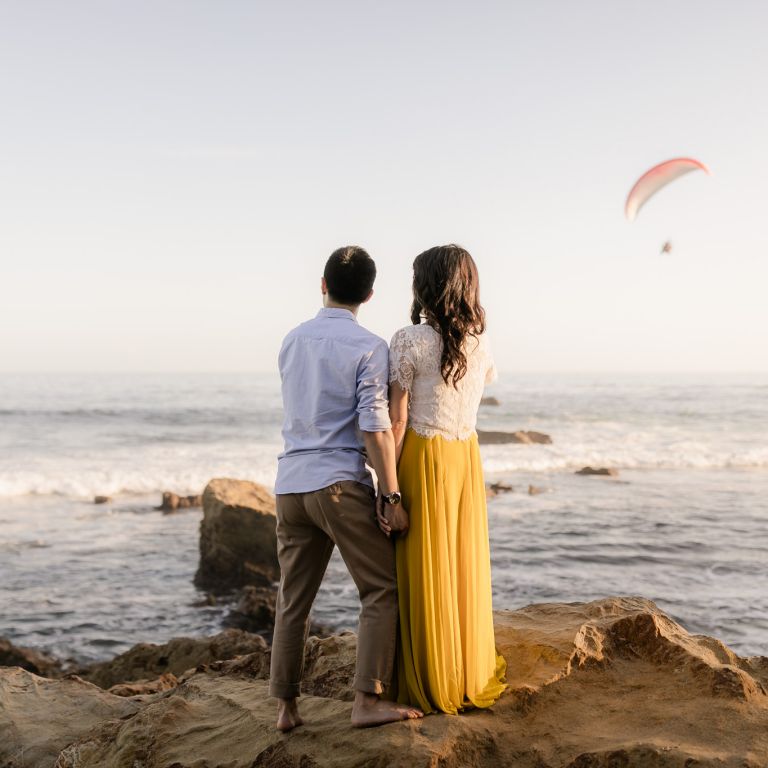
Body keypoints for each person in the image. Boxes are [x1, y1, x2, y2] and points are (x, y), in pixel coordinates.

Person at [269, 245, 423, 731]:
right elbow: (375, 426)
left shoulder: (291, 341)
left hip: (290, 486)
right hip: (337, 484)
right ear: (371, 294)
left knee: (293, 599)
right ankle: (367, 701)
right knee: (381, 589)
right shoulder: (369, 346)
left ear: (322, 284)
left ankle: (286, 709)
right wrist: (390, 495)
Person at [379, 244, 507, 715]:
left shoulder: (410, 339)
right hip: (464, 459)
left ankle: (431, 677)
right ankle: (466, 670)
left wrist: (386, 488)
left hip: (424, 458)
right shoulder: (480, 341)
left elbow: (395, 420)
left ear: (425, 285)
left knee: (423, 566)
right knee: (461, 563)